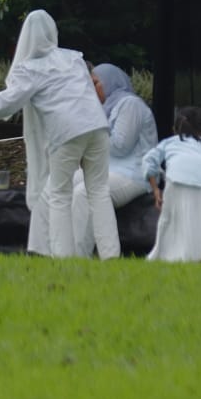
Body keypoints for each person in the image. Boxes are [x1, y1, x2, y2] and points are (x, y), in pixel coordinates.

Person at [0, 10, 119, 259]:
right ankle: (111, 256)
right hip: (97, 126)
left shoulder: (29, 70)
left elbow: (6, 104)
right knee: (99, 192)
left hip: (67, 132)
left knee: (60, 195)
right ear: (53, 32)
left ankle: (64, 259)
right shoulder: (74, 58)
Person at [71, 63, 158, 257]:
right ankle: (58, 249)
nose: (92, 89)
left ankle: (78, 256)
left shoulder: (131, 104)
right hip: (109, 170)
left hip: (134, 174)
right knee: (62, 183)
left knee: (84, 192)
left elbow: (120, 146)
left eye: (95, 83)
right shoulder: (106, 107)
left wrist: (92, 131)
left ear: (110, 81)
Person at [141, 106, 201, 263]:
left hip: (175, 182)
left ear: (175, 128)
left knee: (170, 221)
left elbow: (148, 161)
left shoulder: (169, 142)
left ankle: (167, 255)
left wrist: (156, 190)